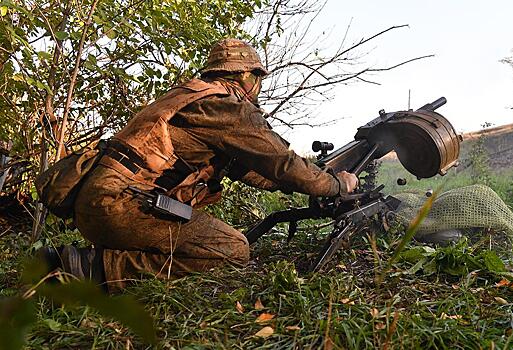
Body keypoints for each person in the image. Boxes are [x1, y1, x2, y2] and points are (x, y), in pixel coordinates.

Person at [40, 38, 358, 291]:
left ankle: (84, 263)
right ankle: (83, 269)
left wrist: (299, 179)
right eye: (258, 78)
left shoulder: (193, 97)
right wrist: (335, 184)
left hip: (98, 203)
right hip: (121, 205)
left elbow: (256, 171)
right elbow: (281, 162)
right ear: (247, 76)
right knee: (233, 250)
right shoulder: (227, 105)